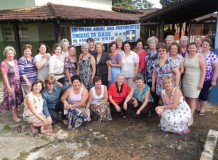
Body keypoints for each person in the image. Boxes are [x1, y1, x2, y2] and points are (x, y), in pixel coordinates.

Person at [182, 42, 206, 123]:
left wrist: (201, 83)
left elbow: (203, 70)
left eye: (193, 48)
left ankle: (191, 117)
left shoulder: (199, 56)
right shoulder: (186, 56)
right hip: (186, 80)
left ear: (196, 48)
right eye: (190, 48)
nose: (191, 49)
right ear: (188, 49)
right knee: (187, 98)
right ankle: (187, 113)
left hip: (195, 80)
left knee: (192, 99)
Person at [0, 46, 23, 122]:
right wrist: (8, 87)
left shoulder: (15, 61)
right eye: (8, 53)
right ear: (5, 54)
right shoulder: (3, 63)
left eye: (11, 53)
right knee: (12, 100)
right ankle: (14, 116)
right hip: (10, 85)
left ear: (14, 53)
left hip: (17, 84)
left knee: (16, 99)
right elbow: (4, 76)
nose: (10, 55)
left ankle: (16, 112)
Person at [198, 39, 218, 116]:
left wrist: (213, 80)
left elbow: (216, 68)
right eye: (203, 44)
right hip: (196, 78)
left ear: (210, 46)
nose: (205, 46)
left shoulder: (213, 56)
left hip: (207, 79)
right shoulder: (198, 53)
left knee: (204, 94)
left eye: (207, 44)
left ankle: (202, 108)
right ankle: (197, 107)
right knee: (197, 94)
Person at [145, 36, 159, 107]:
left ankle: (156, 105)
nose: (151, 44)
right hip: (148, 75)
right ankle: (152, 105)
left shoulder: (158, 53)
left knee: (156, 91)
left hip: (155, 75)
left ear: (156, 44)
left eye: (153, 43)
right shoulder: (147, 53)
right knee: (150, 90)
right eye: (150, 43)